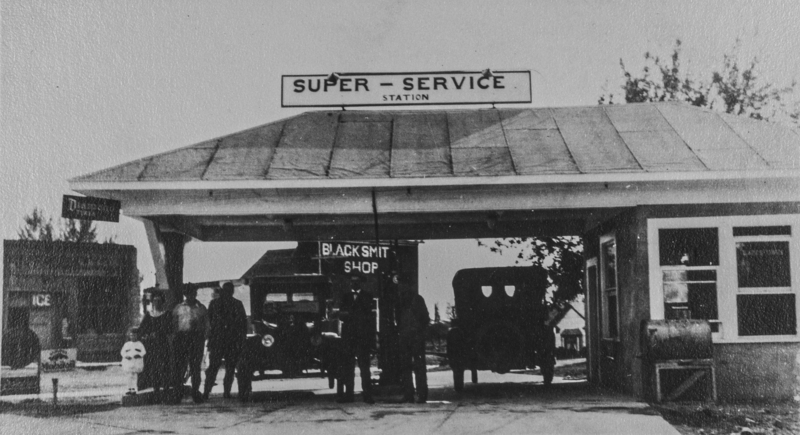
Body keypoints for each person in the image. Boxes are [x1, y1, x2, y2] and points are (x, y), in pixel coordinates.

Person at [203, 282, 247, 400]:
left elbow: (243, 324)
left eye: (229, 290)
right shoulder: (216, 304)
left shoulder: (235, 304)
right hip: (221, 340)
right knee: (217, 368)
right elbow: (208, 322)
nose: (228, 292)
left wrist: (241, 339)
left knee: (228, 368)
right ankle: (210, 392)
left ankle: (220, 392)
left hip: (229, 341)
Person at [337, 274, 375, 404]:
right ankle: (349, 396)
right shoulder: (345, 297)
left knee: (365, 368)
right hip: (349, 338)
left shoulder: (367, 296)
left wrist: (371, 339)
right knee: (348, 368)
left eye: (357, 281)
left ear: (361, 283)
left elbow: (370, 318)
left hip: (363, 338)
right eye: (352, 281)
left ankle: (368, 396)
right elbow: (341, 315)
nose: (354, 284)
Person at [396, 275, 430, 403]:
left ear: (407, 285)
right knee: (406, 366)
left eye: (402, 284)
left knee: (418, 367)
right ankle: (409, 395)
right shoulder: (400, 300)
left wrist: (419, 333)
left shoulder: (417, 299)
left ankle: (421, 395)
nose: (400, 286)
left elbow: (425, 319)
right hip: (405, 337)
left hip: (415, 337)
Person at [172, 285, 209, 403]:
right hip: (181, 338)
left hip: (196, 338)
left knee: (195, 368)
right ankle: (177, 394)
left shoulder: (201, 308)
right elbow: (173, 324)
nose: (190, 296)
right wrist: (175, 339)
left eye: (192, 293)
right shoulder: (178, 308)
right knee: (180, 367)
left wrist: (203, 337)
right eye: (188, 294)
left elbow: (207, 325)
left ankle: (195, 393)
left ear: (195, 294)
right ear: (185, 295)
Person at [138, 290, 174, 398]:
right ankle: (156, 390)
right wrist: (147, 336)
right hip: (152, 345)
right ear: (152, 302)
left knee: (165, 366)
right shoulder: (148, 316)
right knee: (154, 367)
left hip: (163, 344)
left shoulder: (167, 314)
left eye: (159, 301)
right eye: (154, 301)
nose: (156, 303)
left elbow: (170, 329)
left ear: (162, 302)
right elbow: (142, 330)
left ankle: (166, 389)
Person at [121, 327, 146, 396]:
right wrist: (126, 356)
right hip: (129, 363)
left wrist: (139, 355)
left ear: (137, 335)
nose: (133, 337)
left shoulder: (139, 344)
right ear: (129, 336)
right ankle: (129, 389)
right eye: (131, 335)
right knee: (129, 376)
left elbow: (143, 352)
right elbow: (122, 352)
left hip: (136, 362)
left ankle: (134, 389)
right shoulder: (127, 344)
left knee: (135, 376)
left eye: (134, 335)